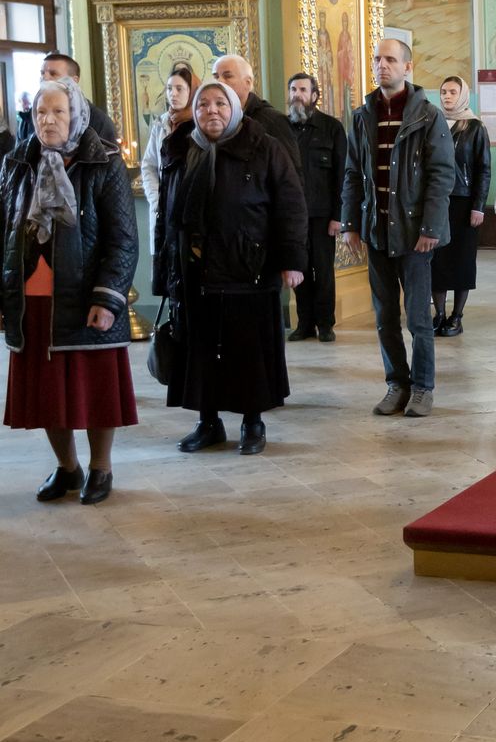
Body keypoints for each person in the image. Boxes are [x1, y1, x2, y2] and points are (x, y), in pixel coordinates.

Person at [1, 78, 138, 503]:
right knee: (46, 395)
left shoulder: (104, 162)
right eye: (41, 112)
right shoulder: (16, 162)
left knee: (95, 391)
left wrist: (107, 298)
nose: (49, 120)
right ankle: (67, 468)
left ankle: (101, 468)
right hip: (32, 301)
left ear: (76, 114)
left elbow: (123, 239)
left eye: (59, 111)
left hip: (85, 299)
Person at [156, 82, 306, 456]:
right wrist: (164, 270)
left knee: (248, 350)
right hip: (194, 269)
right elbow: (165, 214)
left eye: (221, 103)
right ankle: (208, 422)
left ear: (235, 108)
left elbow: (290, 205)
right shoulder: (180, 149)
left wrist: (292, 261)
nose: (212, 110)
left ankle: (252, 422)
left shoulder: (264, 147)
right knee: (201, 349)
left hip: (248, 265)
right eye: (203, 104)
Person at [342, 32, 453, 417]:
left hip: (414, 234)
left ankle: (422, 388)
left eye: (390, 59)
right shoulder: (362, 116)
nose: (381, 65)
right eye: (377, 59)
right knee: (385, 316)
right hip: (377, 231)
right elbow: (353, 173)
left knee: (419, 318)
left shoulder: (428, 115)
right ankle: (397, 384)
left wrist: (431, 228)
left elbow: (442, 175)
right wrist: (350, 222)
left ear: (407, 66)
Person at [286, 72, 347, 343]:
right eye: (293, 90)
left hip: (323, 215)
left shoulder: (331, 128)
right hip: (292, 217)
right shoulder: (283, 128)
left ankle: (325, 324)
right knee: (298, 269)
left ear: (314, 95)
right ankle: (304, 324)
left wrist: (338, 216)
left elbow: (342, 175)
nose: (297, 94)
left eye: (302, 90)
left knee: (322, 271)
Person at [432, 74, 490, 336]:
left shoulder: (475, 127)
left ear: (462, 95)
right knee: (437, 259)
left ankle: (456, 316)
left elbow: (483, 169)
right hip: (437, 201)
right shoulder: (433, 123)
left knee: (461, 261)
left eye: (453, 92)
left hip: (464, 202)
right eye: (444, 92)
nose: (447, 96)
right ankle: (439, 314)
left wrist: (479, 206)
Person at [141, 62, 198, 248]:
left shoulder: (200, 124)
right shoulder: (162, 123)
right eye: (169, 88)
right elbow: (149, 166)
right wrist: (157, 200)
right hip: (162, 210)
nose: (173, 94)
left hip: (188, 213)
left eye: (179, 89)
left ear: (192, 91)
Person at [212, 55, 300, 168]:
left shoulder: (273, 120)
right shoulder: (211, 118)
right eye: (215, 77)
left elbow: (290, 171)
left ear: (248, 83)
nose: (219, 82)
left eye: (227, 76)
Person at [16, 52, 117, 148]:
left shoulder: (98, 121)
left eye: (53, 74)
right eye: (42, 73)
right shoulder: (28, 119)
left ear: (74, 81)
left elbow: (105, 158)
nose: (45, 78)